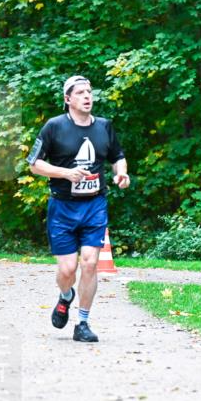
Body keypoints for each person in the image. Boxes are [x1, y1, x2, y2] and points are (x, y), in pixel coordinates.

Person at [26, 75, 129, 342]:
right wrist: (65, 173)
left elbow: (118, 157)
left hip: (95, 204)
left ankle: (82, 322)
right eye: (80, 92)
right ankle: (65, 295)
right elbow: (34, 164)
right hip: (62, 207)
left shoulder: (104, 127)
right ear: (67, 99)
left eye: (90, 92)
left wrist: (121, 174)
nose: (87, 96)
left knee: (91, 263)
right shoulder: (54, 127)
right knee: (67, 270)